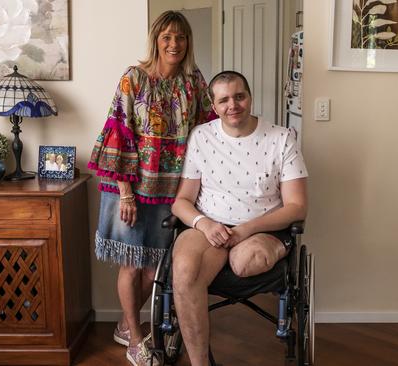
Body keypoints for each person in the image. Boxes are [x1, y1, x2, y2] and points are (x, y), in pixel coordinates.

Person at [87, 10, 215, 366]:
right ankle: (135, 340)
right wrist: (126, 193)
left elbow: (211, 127)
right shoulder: (134, 79)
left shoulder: (194, 81)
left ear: (188, 43)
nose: (174, 44)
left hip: (170, 191)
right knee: (131, 265)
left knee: (154, 270)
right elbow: (119, 132)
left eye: (181, 37)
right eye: (167, 37)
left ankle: (126, 325)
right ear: (156, 40)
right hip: (128, 186)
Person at [171, 71, 308, 366]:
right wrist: (204, 224)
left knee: (243, 262)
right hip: (210, 226)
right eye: (223, 100)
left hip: (263, 228)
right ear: (214, 104)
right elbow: (181, 203)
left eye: (239, 96)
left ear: (250, 97)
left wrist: (246, 230)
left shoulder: (281, 138)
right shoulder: (201, 137)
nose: (232, 105)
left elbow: (297, 207)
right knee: (183, 271)